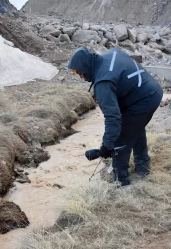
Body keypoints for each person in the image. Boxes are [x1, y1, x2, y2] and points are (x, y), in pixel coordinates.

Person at [68, 47, 163, 186]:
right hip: (152, 90)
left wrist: (106, 147)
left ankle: (121, 181)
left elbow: (113, 118)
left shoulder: (103, 84)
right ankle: (143, 168)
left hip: (144, 100)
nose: (79, 75)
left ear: (86, 65)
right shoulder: (111, 54)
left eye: (78, 71)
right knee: (135, 129)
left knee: (121, 140)